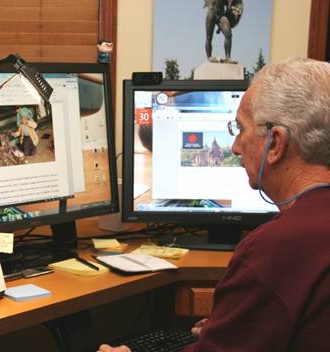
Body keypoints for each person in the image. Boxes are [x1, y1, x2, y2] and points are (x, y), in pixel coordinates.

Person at [99, 58, 330, 351]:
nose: (233, 147)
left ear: (275, 143)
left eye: (240, 129)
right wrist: (234, 326)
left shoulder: (276, 248)